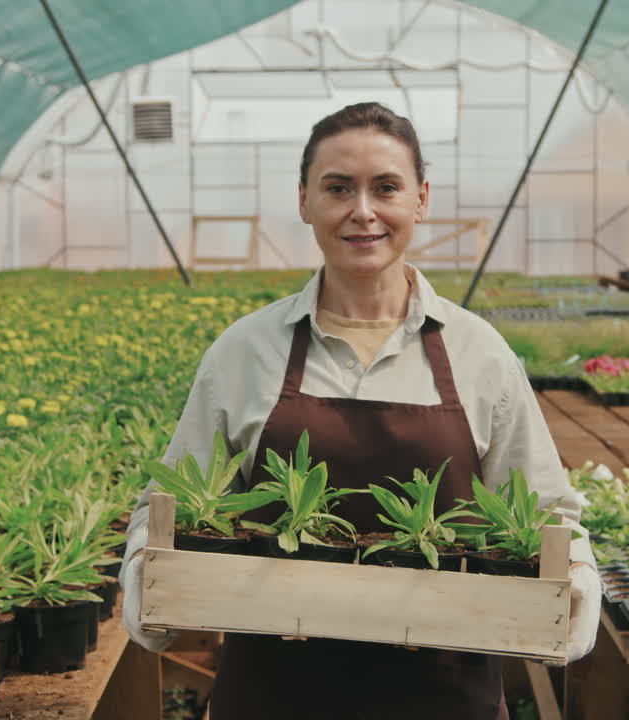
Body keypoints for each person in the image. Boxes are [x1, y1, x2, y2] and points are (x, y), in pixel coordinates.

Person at [119, 102, 601, 720]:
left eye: (387, 188)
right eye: (338, 188)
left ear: (420, 199)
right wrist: (146, 572)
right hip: (273, 696)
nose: (363, 210)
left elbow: (547, 510)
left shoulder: (478, 352)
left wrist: (576, 578)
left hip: (446, 698)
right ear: (304, 201)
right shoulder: (245, 351)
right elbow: (172, 509)